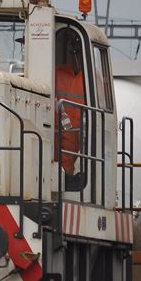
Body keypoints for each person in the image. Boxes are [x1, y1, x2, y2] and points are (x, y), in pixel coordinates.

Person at [54, 29, 85, 189]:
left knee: (70, 158)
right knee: (61, 157)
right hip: (59, 126)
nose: (76, 55)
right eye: (75, 52)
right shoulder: (57, 73)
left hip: (81, 130)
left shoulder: (91, 78)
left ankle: (67, 180)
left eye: (79, 52)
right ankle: (62, 180)